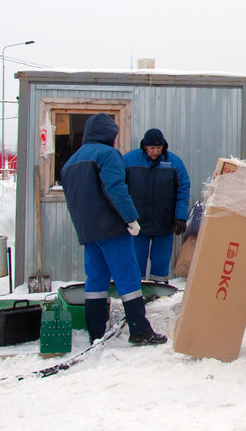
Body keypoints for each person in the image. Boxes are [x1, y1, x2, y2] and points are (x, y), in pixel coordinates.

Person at [61, 113, 167, 346]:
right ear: (108, 134)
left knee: (96, 281)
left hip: (88, 231)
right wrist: (131, 218)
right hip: (111, 228)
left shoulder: (71, 161)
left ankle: (96, 332)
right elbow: (115, 188)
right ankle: (139, 330)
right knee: (128, 278)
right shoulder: (107, 154)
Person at [124, 128, 191, 282]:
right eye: (152, 148)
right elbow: (119, 189)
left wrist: (180, 217)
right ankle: (137, 293)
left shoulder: (174, 162)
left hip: (164, 221)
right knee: (136, 261)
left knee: (161, 262)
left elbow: (183, 189)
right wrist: (124, 215)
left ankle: (159, 291)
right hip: (138, 223)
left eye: (159, 148)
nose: (155, 152)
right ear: (144, 147)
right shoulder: (129, 160)